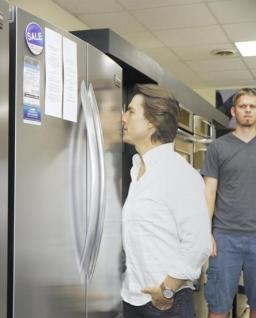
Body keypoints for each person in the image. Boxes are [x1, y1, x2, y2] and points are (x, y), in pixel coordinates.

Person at [121, 83, 211, 318]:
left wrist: (166, 290)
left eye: (130, 111)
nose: (123, 118)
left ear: (151, 122)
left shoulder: (178, 173)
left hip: (165, 305)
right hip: (133, 297)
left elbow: (198, 243)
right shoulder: (138, 169)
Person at [201, 88, 256, 318]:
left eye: (253, 106)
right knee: (218, 307)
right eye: (243, 106)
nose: (248, 110)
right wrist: (206, 232)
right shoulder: (218, 147)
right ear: (234, 111)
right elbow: (209, 191)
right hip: (224, 238)